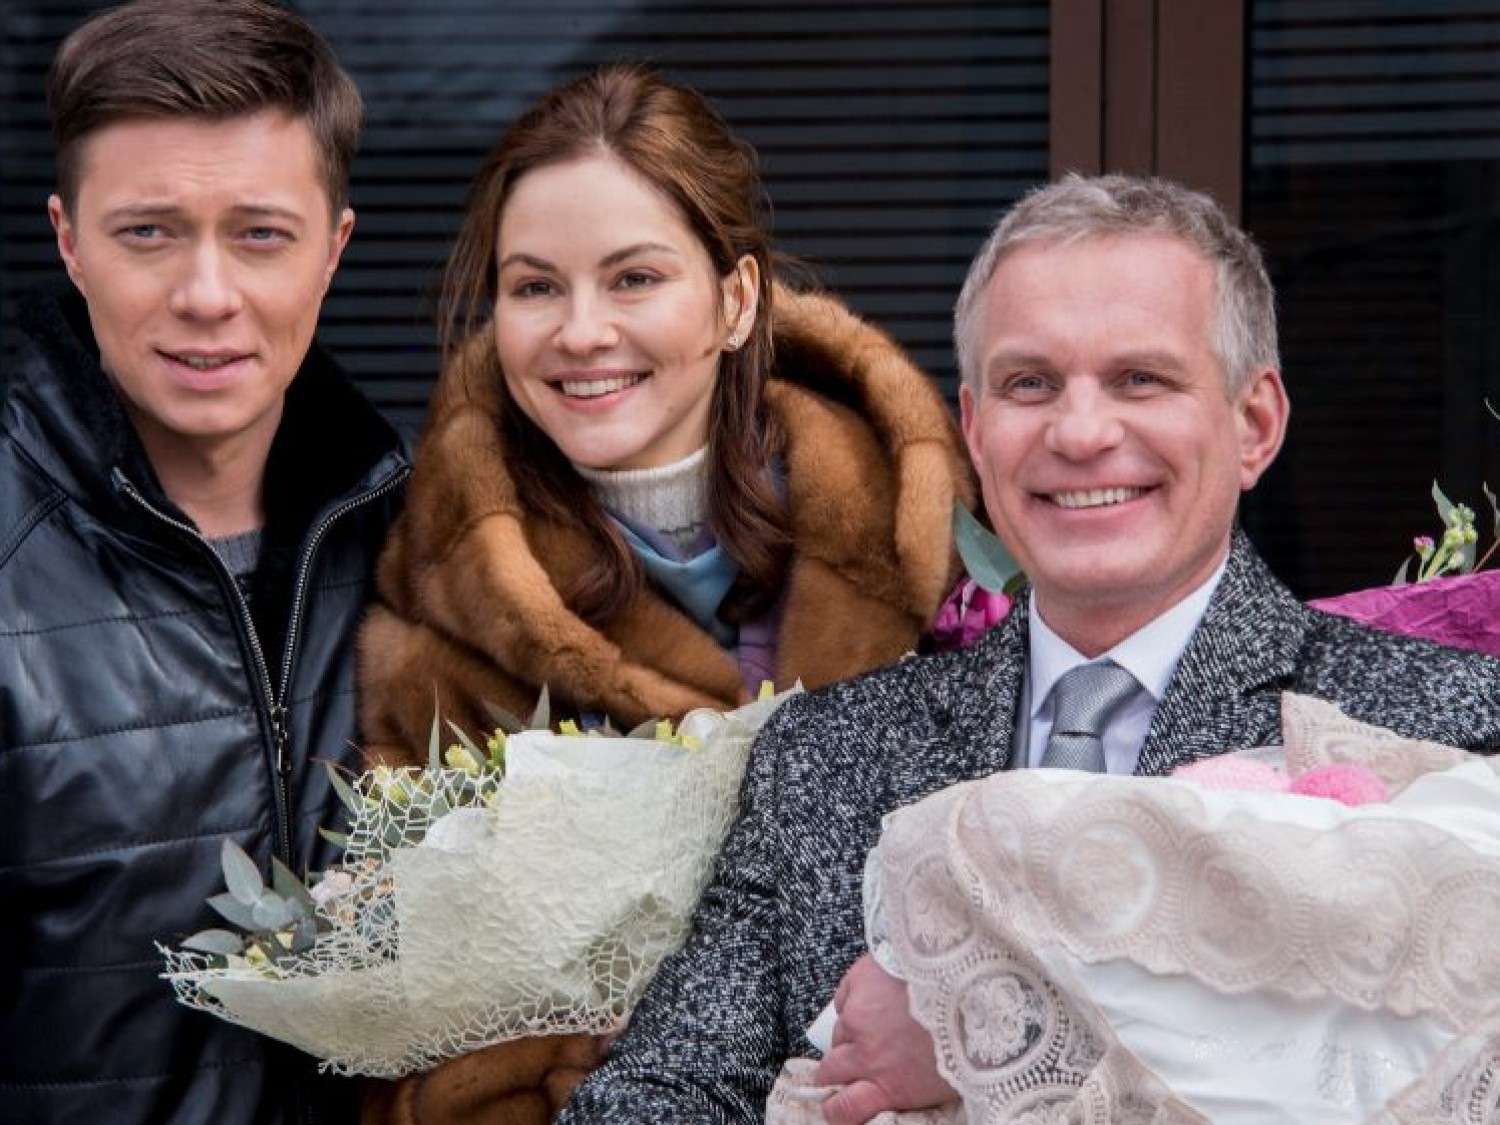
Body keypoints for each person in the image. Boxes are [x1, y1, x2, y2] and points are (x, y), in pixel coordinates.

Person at [555, 173, 1500, 1125]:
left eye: (1140, 378)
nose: (1080, 433)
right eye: (1030, 384)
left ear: (1253, 424)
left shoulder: (1446, 723)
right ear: (974, 429)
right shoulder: (827, 755)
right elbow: (652, 1096)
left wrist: (996, 1034)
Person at [355, 63, 969, 1125]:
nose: (581, 330)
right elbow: (400, 996)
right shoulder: (445, 595)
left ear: (735, 299)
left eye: (634, 278)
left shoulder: (919, 549)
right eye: (535, 287)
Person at [0, 3, 409, 1123]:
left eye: (261, 235)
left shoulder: (430, 553)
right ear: (69, 241)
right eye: (148, 232)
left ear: (334, 248)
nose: (208, 295)